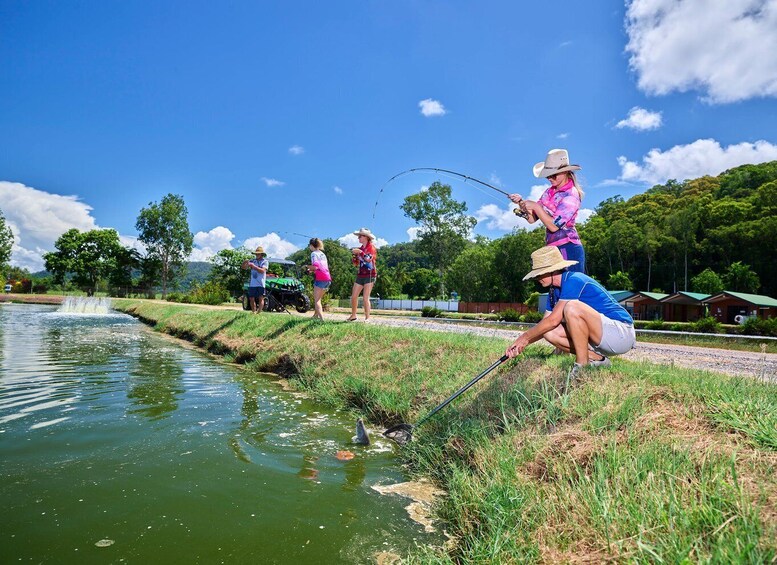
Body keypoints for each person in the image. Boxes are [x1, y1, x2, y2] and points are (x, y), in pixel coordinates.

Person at [505, 245, 635, 388]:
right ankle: (599, 360)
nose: (536, 278)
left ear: (552, 270)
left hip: (621, 333)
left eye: (539, 274)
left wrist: (524, 337)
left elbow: (554, 320)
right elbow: (546, 323)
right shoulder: (554, 292)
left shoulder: (574, 280)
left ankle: (581, 366)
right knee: (548, 332)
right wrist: (519, 344)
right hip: (600, 337)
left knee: (572, 307)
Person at [510, 148, 587, 273]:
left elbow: (554, 227)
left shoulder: (571, 195)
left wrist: (535, 206)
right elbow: (532, 219)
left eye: (553, 175)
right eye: (548, 176)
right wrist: (521, 203)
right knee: (555, 290)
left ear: (565, 172)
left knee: (569, 288)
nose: (550, 178)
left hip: (568, 247)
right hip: (552, 249)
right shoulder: (549, 192)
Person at [347, 228, 377, 322]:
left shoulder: (371, 247)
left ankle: (367, 318)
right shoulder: (360, 249)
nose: (358, 238)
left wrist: (360, 253)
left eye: (360, 236)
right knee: (354, 296)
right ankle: (353, 315)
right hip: (360, 275)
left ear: (366, 237)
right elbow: (356, 263)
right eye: (358, 236)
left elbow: (368, 259)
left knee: (365, 297)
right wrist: (354, 256)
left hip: (370, 274)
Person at [306, 237, 331, 321]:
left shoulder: (313, 254)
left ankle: (322, 320)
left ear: (312, 245)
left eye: (309, 245)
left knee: (317, 301)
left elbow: (315, 266)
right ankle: (315, 316)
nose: (309, 247)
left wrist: (307, 267)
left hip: (320, 279)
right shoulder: (322, 254)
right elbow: (321, 267)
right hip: (327, 278)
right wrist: (312, 270)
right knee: (319, 299)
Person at [242, 246, 269, 313]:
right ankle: (253, 312)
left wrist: (254, 266)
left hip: (261, 283)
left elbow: (262, 271)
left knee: (261, 298)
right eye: (256, 254)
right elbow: (243, 268)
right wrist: (244, 262)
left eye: (258, 254)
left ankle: (259, 312)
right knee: (251, 298)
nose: (256, 255)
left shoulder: (265, 262)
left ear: (262, 254)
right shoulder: (252, 261)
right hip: (252, 283)